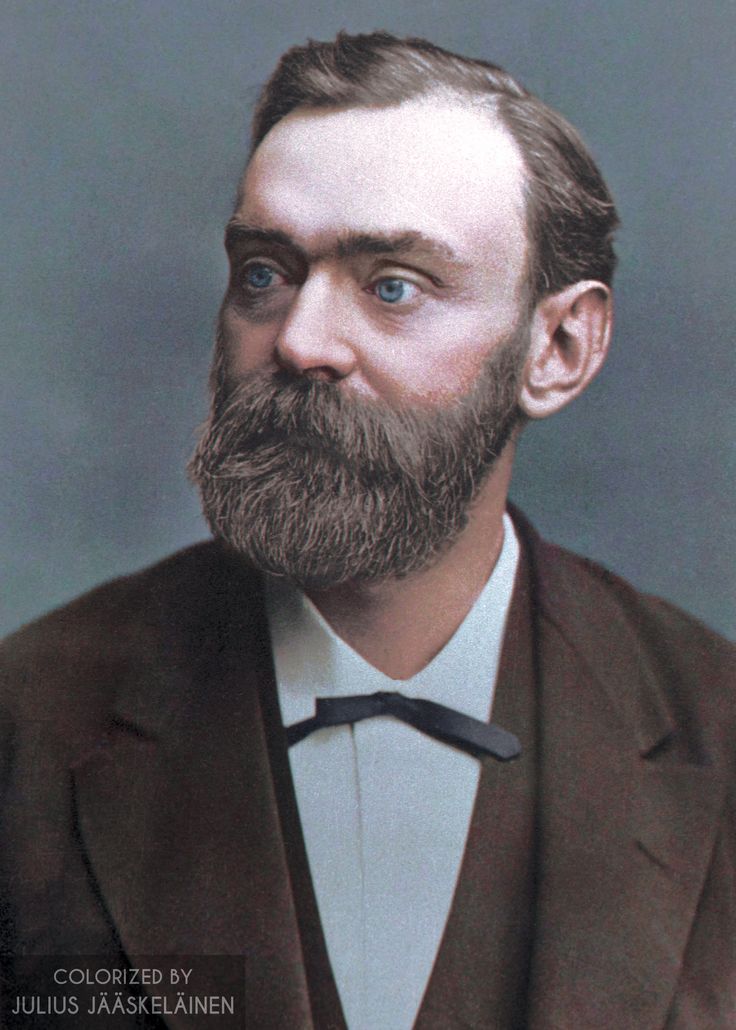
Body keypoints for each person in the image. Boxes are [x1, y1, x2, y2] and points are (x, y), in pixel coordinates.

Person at [1, 30, 734, 1030]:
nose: (299, 341)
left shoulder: (716, 732)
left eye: (392, 285)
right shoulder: (31, 718)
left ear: (558, 347)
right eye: (265, 273)